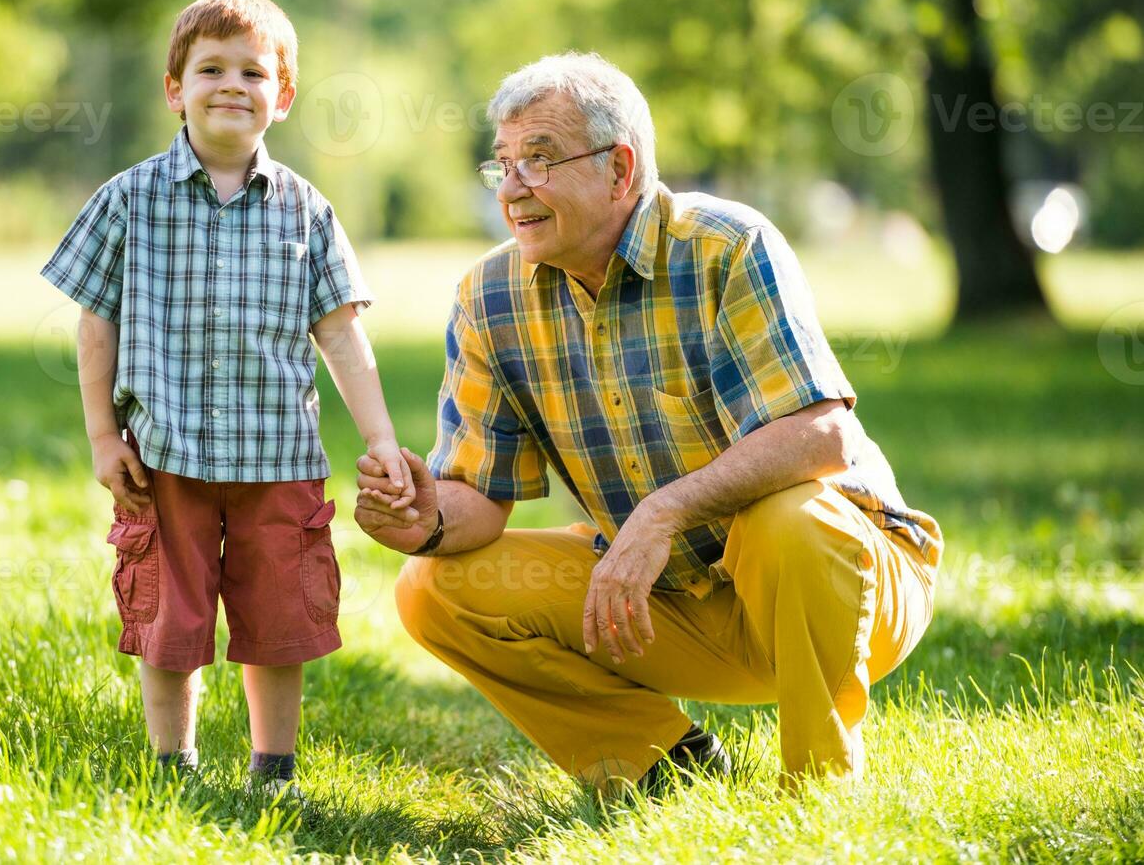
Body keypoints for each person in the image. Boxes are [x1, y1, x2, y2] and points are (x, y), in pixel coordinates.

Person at [355, 52, 941, 795]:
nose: (511, 189)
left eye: (537, 161)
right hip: (664, 600)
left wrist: (663, 511)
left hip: (842, 587)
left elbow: (821, 434)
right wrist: (418, 519)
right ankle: (667, 770)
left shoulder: (726, 246)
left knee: (784, 519)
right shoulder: (489, 296)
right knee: (434, 590)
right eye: (501, 164)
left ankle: (818, 789)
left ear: (618, 168)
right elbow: (475, 498)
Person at [41, 0, 411, 796]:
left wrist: (380, 439)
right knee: (167, 625)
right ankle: (173, 766)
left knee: (280, 624)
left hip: (278, 459)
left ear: (281, 96)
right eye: (210, 68)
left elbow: (343, 335)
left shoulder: (308, 212)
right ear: (175, 87)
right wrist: (104, 438)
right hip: (164, 457)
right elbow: (94, 327)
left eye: (252, 70)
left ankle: (271, 771)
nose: (231, 85)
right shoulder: (128, 199)